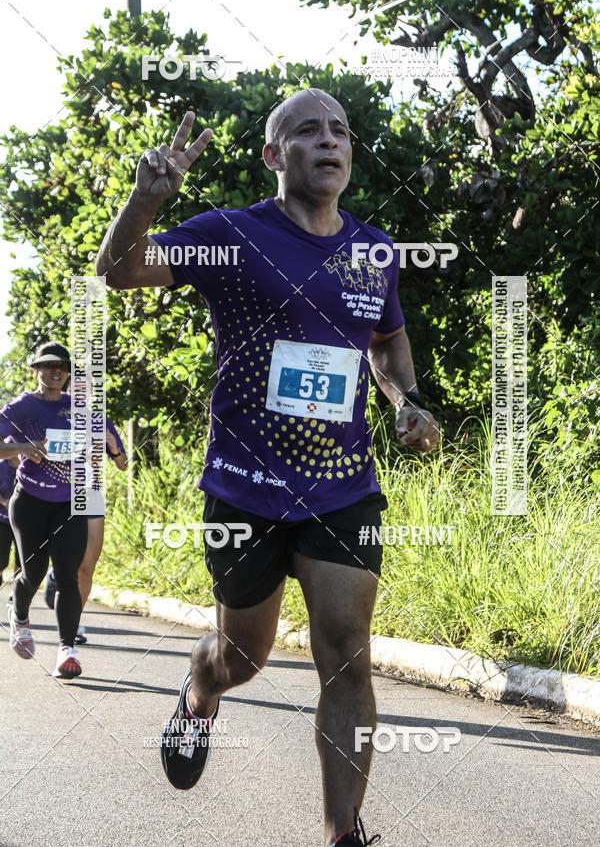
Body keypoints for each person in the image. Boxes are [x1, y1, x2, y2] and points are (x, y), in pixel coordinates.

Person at [97, 89, 440, 847]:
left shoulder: (373, 251)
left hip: (342, 486)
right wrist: (142, 202)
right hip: (244, 489)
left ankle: (341, 832)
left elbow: (385, 342)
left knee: (347, 650)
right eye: (307, 130)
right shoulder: (231, 236)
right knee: (241, 656)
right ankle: (198, 693)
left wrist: (404, 401)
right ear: (272, 154)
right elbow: (119, 271)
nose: (329, 141)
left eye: (341, 131)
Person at [0, 342, 89, 679]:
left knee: (68, 575)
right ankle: (19, 614)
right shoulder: (22, 407)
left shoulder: (77, 407)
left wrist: (109, 447)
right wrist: (23, 448)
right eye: (48, 366)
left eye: (62, 367)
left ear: (67, 373)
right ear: (35, 370)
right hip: (30, 503)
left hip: (69, 504)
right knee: (33, 573)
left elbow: (100, 443)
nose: (56, 372)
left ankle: (67, 650)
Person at [44, 413, 127, 645]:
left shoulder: (99, 421)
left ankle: (73, 623)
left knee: (86, 568)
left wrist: (115, 449)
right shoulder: (50, 415)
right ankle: (57, 570)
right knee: (64, 559)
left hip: (90, 496)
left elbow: (124, 465)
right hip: (54, 495)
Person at [0, 452, 18, 588]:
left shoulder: (32, 466)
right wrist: (5, 501)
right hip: (3, 520)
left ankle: (17, 591)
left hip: (24, 522)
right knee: (1, 559)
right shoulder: (2, 466)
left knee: (22, 561)